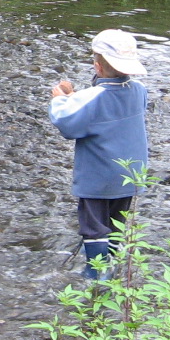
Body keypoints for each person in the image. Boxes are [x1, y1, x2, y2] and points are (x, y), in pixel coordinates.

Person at [49, 29, 149, 280]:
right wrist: (75, 97)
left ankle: (95, 274)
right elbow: (107, 110)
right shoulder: (139, 90)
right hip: (130, 173)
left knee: (94, 226)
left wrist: (60, 99)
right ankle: (112, 266)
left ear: (97, 66)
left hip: (98, 176)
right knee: (117, 221)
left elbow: (67, 123)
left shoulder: (90, 97)